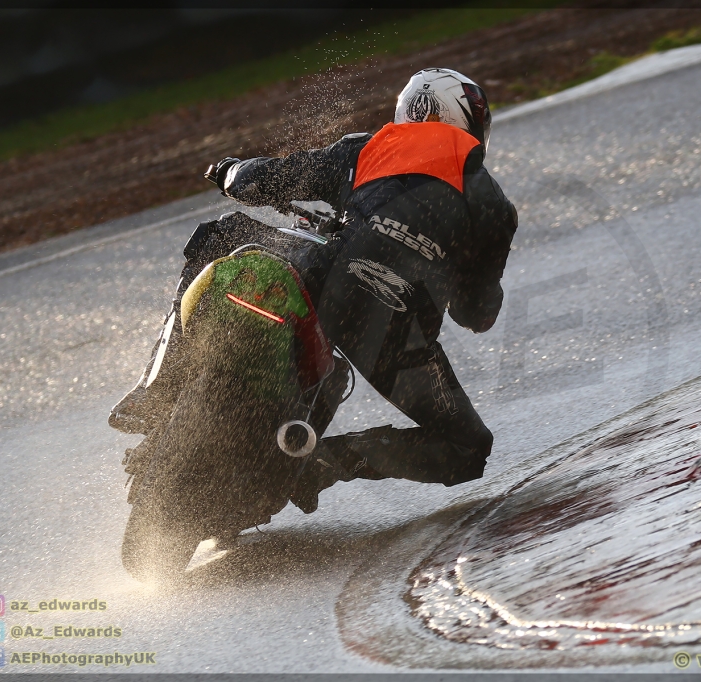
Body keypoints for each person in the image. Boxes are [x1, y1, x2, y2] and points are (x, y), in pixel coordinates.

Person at [112, 68, 518, 511]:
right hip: (388, 324)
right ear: (469, 124)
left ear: (409, 110)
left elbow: (271, 179)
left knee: (219, 238)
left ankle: (157, 390)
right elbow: (476, 314)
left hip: (321, 272)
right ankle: (322, 463)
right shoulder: (492, 202)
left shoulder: (370, 147)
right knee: (466, 448)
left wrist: (231, 171)